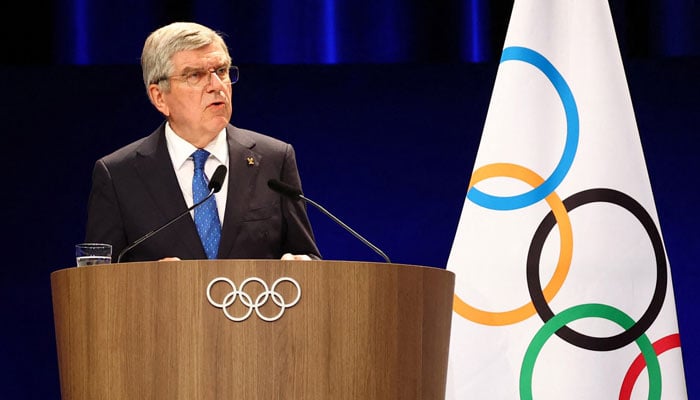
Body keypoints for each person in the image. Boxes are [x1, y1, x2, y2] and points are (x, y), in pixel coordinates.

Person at [84, 21, 320, 262]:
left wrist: (304, 266)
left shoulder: (274, 159)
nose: (217, 86)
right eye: (195, 75)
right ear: (159, 97)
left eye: (221, 71)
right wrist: (147, 283)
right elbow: (97, 279)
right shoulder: (118, 175)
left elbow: (307, 256)